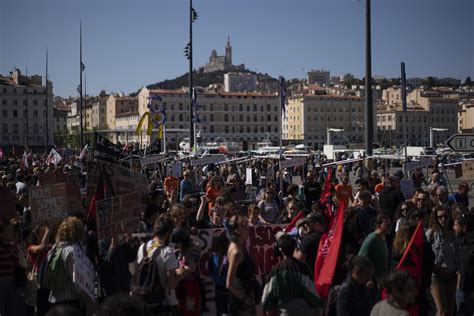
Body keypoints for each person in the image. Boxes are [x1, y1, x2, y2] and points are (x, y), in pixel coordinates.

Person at [133, 214, 195, 315]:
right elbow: (171, 284)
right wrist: (183, 272)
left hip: (144, 303)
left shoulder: (143, 248)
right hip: (164, 304)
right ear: (168, 233)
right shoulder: (167, 252)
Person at [261, 233, 322, 315]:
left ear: (280, 250)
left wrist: (268, 309)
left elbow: (267, 297)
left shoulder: (275, 270)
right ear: (294, 248)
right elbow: (311, 292)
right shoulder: (303, 267)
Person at [426, 205, 461, 316]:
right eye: (440, 217)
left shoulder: (455, 233)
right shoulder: (431, 233)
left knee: (451, 310)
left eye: (446, 216)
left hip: (452, 275)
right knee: (442, 311)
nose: (443, 219)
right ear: (436, 218)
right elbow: (426, 255)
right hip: (436, 275)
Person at [47, 217, 87, 311]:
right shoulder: (71, 251)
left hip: (54, 299)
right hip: (69, 301)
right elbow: (75, 281)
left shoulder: (54, 249)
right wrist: (86, 297)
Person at [225, 215, 257, 316]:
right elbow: (229, 283)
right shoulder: (236, 251)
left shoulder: (239, 246)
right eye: (245, 227)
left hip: (245, 297)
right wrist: (245, 299)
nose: (248, 230)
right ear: (237, 231)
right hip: (241, 304)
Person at [358, 214, 391, 285]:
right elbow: (361, 258)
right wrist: (369, 279)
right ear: (378, 225)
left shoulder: (383, 240)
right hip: (372, 282)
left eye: (390, 225)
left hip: (381, 282)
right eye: (386, 225)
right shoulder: (372, 238)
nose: (389, 227)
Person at [208, 231, 230, 316]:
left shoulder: (212, 256)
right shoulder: (228, 257)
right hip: (227, 290)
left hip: (218, 290)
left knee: (220, 312)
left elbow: (210, 272)